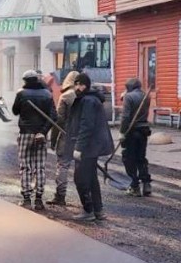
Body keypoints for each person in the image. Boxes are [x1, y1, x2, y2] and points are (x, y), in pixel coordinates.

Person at [66, 73, 113, 222]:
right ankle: (98, 210)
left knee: (81, 178)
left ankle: (88, 210)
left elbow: (86, 125)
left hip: (88, 147)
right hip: (93, 146)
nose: (77, 87)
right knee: (92, 178)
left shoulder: (87, 101)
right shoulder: (91, 99)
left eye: (80, 84)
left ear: (85, 85)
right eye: (76, 84)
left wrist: (79, 147)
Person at [11, 69, 56, 210]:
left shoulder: (21, 94)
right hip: (41, 136)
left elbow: (15, 111)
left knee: (25, 167)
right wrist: (43, 132)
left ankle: (26, 199)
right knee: (40, 167)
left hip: (25, 133)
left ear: (25, 81)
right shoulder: (47, 94)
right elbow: (53, 117)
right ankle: (39, 199)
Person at [46, 70, 79, 207]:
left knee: (63, 166)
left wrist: (53, 140)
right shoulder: (84, 97)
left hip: (66, 136)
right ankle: (87, 198)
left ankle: (60, 196)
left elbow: (58, 121)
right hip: (81, 138)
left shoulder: (65, 96)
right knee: (82, 168)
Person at [120, 77, 153, 197]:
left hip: (132, 131)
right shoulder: (146, 96)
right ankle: (146, 183)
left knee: (129, 158)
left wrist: (122, 132)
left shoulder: (129, 97)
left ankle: (134, 185)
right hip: (144, 130)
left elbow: (125, 117)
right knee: (141, 158)